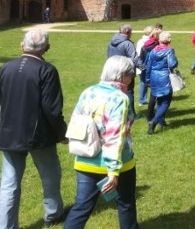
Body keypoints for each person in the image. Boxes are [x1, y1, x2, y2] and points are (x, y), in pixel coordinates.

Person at [0, 29, 68, 228]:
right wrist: (62, 132)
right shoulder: (46, 70)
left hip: (9, 133)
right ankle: (54, 213)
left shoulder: (6, 68)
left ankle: (6, 225)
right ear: (46, 48)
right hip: (38, 136)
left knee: (9, 183)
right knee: (50, 175)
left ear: (22, 45)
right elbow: (52, 109)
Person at [64, 56, 139, 229]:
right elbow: (115, 136)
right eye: (131, 75)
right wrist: (113, 171)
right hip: (118, 163)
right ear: (123, 75)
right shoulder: (120, 98)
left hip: (85, 159)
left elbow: (76, 122)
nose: (132, 79)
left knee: (82, 206)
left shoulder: (88, 91)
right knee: (126, 204)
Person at [107, 25, 144, 119]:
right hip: (125, 71)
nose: (132, 34)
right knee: (129, 92)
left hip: (113, 70)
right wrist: (143, 67)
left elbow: (108, 55)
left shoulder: (111, 42)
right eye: (131, 32)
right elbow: (134, 58)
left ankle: (115, 113)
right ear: (127, 32)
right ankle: (131, 115)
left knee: (115, 91)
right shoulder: (127, 44)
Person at [145, 32, 178, 135]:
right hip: (164, 77)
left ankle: (161, 121)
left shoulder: (153, 51)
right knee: (166, 102)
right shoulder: (169, 51)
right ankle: (154, 122)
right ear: (169, 40)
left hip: (154, 77)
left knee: (159, 100)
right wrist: (176, 59)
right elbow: (172, 64)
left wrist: (147, 79)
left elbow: (149, 65)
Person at [135, 26, 153, 106]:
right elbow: (139, 55)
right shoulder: (146, 42)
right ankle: (142, 99)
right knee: (144, 82)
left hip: (141, 65)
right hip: (143, 65)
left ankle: (143, 99)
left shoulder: (140, 41)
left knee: (144, 82)